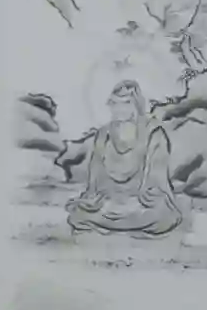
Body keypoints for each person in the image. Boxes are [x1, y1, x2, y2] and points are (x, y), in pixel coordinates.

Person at [65, 80, 184, 237]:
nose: (120, 109)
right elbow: (95, 182)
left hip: (142, 203)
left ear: (137, 105)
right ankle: (125, 224)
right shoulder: (103, 135)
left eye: (127, 103)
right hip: (109, 203)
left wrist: (136, 200)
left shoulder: (154, 134)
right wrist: (102, 199)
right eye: (115, 103)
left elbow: (157, 182)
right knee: (78, 214)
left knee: (162, 214)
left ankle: (118, 224)